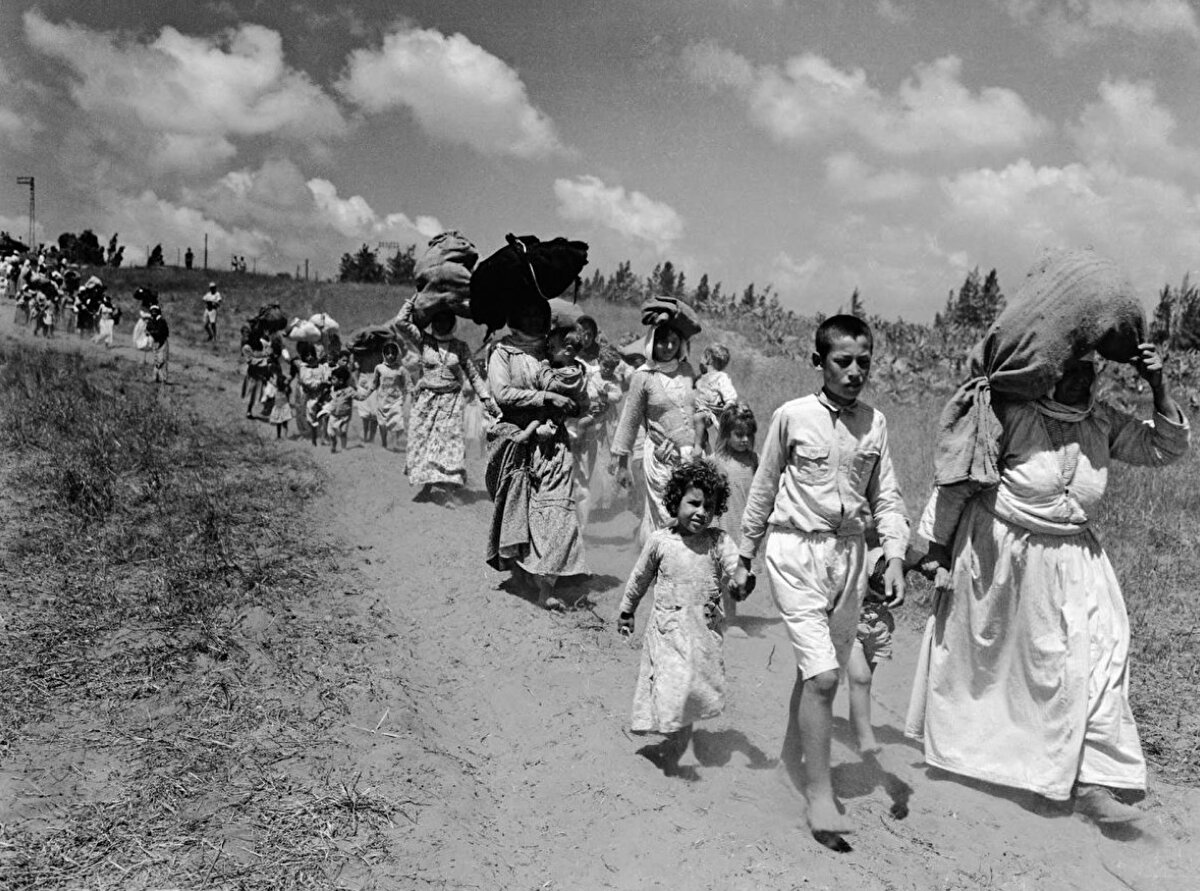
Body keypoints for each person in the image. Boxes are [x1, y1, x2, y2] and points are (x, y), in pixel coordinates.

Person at [907, 345, 1188, 824]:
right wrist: (930, 550)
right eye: (1071, 369)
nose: (1083, 379)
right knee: (999, 669)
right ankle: (979, 766)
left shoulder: (1102, 421)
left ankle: (1094, 779)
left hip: (1075, 557)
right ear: (1049, 372)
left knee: (1099, 656)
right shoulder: (1010, 413)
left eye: (1090, 370)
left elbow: (1166, 447)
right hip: (1001, 556)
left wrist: (1158, 385)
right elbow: (958, 477)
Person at [734, 314, 908, 849]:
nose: (855, 372)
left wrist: (895, 554)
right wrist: (745, 555)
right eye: (842, 361)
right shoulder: (792, 417)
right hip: (795, 551)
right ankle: (819, 794)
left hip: (849, 558)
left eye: (864, 362)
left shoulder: (874, 424)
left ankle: (792, 756)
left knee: (818, 672)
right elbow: (763, 487)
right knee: (827, 678)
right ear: (818, 362)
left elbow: (886, 497)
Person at [617, 457, 745, 777]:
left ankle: (676, 742)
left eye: (710, 506)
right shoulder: (661, 541)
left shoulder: (717, 541)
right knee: (673, 684)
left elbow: (735, 566)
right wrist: (627, 611)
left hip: (703, 631)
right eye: (694, 503)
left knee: (691, 690)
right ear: (676, 501)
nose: (702, 512)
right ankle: (673, 745)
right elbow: (639, 579)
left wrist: (742, 579)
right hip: (667, 630)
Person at [486, 300, 588, 610]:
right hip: (514, 440)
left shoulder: (551, 351)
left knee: (556, 511)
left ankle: (547, 582)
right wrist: (547, 397)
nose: (533, 321)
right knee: (516, 510)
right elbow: (502, 394)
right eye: (527, 314)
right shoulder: (502, 352)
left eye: (538, 316)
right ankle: (521, 573)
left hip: (551, 445)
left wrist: (571, 390)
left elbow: (578, 402)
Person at [389, 296, 495, 503]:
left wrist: (485, 398)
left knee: (447, 442)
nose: (441, 324)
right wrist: (411, 302)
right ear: (432, 322)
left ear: (452, 323)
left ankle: (448, 490)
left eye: (446, 320)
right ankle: (426, 487)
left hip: (451, 401)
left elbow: (473, 375)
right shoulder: (424, 341)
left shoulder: (460, 347)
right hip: (426, 400)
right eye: (437, 320)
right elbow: (400, 323)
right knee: (425, 441)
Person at [610, 318, 700, 546]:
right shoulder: (643, 376)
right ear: (652, 343)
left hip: (692, 456)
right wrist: (622, 464)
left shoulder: (687, 371)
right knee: (667, 517)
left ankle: (667, 564)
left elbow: (695, 407)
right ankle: (660, 568)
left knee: (691, 515)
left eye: (673, 342)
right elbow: (629, 420)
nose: (668, 347)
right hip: (661, 457)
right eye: (662, 342)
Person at [712, 403, 758, 625]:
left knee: (741, 573)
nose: (745, 440)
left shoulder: (754, 461)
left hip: (746, 526)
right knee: (725, 573)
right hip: (723, 525)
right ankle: (729, 619)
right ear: (726, 434)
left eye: (749, 435)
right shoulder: (717, 461)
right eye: (739, 434)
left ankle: (724, 613)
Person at [847, 546, 894, 757]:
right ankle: (865, 738)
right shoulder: (853, 546)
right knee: (861, 677)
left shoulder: (895, 554)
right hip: (848, 620)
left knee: (863, 684)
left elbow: (926, 561)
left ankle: (855, 729)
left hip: (878, 624)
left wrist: (938, 568)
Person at [694, 344, 738, 452]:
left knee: (698, 419)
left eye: (701, 358)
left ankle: (698, 447)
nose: (699, 361)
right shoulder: (699, 378)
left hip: (708, 412)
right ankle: (707, 452)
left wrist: (729, 404)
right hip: (695, 409)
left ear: (708, 358)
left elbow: (729, 394)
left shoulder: (721, 377)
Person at [368, 342, 410, 450]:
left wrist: (413, 392)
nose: (390, 356)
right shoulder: (379, 368)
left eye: (393, 353)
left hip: (396, 400)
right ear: (384, 354)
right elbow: (374, 383)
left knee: (397, 422)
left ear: (396, 355)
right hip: (382, 400)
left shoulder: (401, 369)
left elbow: (408, 383)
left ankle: (395, 444)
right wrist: (367, 393)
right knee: (382, 424)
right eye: (388, 353)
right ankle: (384, 442)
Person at [324, 365, 355, 454]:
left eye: (333, 379)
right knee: (331, 433)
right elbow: (330, 401)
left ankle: (344, 448)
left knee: (343, 431)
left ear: (341, 381)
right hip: (333, 415)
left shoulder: (349, 390)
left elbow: (358, 396)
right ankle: (334, 443)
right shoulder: (332, 389)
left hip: (344, 416)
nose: (331, 381)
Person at [146, 305, 170, 384]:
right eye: (152, 311)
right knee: (157, 360)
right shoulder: (152, 321)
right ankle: (156, 377)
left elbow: (162, 332)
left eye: (155, 311)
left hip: (162, 342)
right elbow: (148, 329)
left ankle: (162, 378)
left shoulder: (161, 321)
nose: (154, 313)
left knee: (161, 360)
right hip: (156, 342)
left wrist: (152, 332)